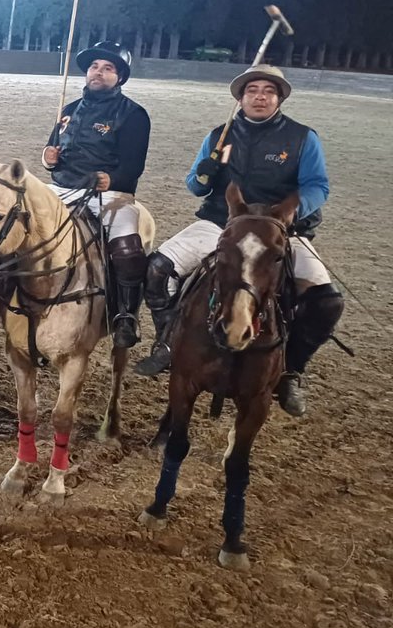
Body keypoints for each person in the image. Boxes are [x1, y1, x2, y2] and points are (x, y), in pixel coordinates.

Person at [135, 65, 343, 417]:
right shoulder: (219, 135)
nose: (260, 96)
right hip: (221, 224)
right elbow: (194, 184)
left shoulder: (303, 137)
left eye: (268, 91)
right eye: (252, 90)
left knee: (327, 302)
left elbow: (317, 185)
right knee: (157, 269)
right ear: (241, 98)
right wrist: (205, 173)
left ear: (279, 98)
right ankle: (169, 342)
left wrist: (293, 211)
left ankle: (291, 370)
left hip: (281, 231)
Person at [43, 40, 152, 348]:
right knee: (19, 226)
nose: (98, 73)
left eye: (108, 68)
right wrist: (47, 158)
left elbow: (134, 166)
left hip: (110, 194)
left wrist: (112, 178)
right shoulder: (69, 109)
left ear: (120, 77)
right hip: (62, 187)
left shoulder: (134, 114)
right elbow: (53, 153)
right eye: (94, 67)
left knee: (128, 247)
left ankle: (126, 317)